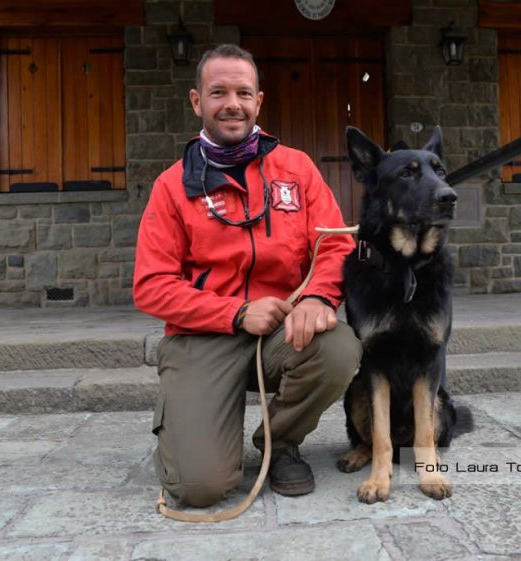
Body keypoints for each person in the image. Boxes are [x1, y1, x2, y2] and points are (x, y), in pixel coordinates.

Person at [133, 44, 362, 508]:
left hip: (280, 329)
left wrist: (319, 297)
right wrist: (235, 312)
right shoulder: (171, 186)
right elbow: (151, 285)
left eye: (243, 92)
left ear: (259, 100)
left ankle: (279, 442)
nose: (231, 103)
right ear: (197, 102)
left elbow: (336, 243)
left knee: (339, 346)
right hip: (201, 336)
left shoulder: (296, 169)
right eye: (218, 92)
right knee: (199, 488)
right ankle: (192, 434)